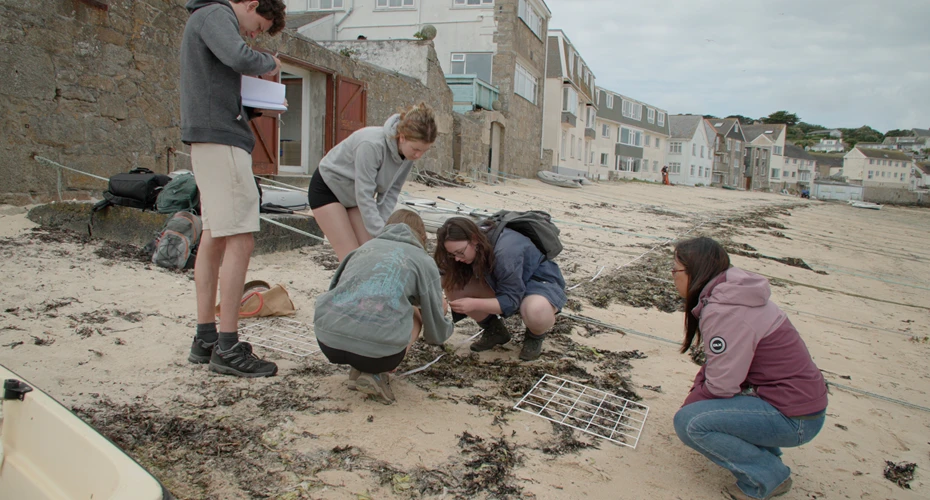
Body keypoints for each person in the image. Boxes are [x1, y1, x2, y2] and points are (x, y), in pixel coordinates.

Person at [670, 237, 828, 500]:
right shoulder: (732, 292)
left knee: (690, 423)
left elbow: (722, 385)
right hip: (797, 405)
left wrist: (692, 406)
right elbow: (721, 367)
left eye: (676, 270)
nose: (673, 277)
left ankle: (769, 476)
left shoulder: (724, 310)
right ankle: (766, 456)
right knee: (699, 408)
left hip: (796, 418)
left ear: (695, 271)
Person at [182, 0, 286, 378]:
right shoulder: (215, 14)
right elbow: (239, 56)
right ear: (250, 3)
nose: (253, 34)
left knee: (214, 235)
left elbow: (220, 73)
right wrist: (269, 64)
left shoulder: (205, 16)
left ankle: (206, 338)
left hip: (210, 135)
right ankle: (227, 345)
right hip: (222, 139)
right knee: (241, 236)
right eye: (258, 25)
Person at [314, 210, 453, 404]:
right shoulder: (423, 260)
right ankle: (377, 374)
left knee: (361, 312)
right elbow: (434, 325)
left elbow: (335, 291)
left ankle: (358, 369)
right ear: (422, 236)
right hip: (379, 353)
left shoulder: (364, 248)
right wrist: (444, 317)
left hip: (328, 342)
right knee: (413, 313)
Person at [308, 103, 438, 262]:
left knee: (370, 254)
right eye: (416, 149)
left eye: (424, 151)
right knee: (351, 258)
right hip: (328, 189)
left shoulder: (408, 155)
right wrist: (380, 233)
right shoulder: (371, 145)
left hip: (352, 196)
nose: (418, 155)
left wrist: (383, 230)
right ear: (402, 137)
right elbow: (365, 194)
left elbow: (391, 192)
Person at [434, 217, 566, 361]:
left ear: (474, 239)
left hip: (536, 281)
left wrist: (473, 304)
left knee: (536, 311)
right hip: (500, 280)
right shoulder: (463, 244)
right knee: (454, 286)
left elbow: (511, 301)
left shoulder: (505, 251)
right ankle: (494, 331)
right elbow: (440, 273)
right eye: (452, 254)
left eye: (460, 252)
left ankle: (535, 336)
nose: (457, 258)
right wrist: (433, 297)